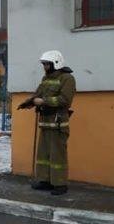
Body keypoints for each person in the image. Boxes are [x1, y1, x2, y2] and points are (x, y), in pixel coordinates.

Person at [18, 50, 76, 196]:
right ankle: (44, 180)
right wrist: (28, 103)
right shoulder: (46, 78)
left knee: (58, 156)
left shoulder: (67, 79)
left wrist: (44, 101)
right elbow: (38, 94)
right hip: (45, 123)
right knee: (43, 155)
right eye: (43, 64)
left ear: (56, 63)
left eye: (46, 64)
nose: (44, 67)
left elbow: (65, 99)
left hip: (57, 124)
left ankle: (60, 184)